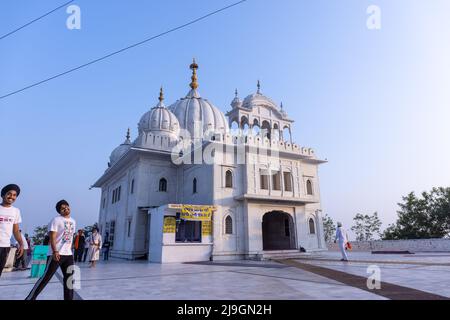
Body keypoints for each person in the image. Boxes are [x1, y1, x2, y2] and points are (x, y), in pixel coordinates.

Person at [26, 200, 76, 300]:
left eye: (67, 206)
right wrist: (55, 251)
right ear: (59, 211)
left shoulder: (73, 221)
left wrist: (70, 249)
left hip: (68, 254)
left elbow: (70, 237)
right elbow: (52, 237)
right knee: (45, 278)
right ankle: (30, 298)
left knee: (69, 279)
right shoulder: (56, 220)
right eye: (62, 208)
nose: (66, 209)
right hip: (56, 253)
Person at [0, 184, 24, 277]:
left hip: (5, 247)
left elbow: (16, 230)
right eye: (9, 194)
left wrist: (21, 244)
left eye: (14, 195)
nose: (12, 197)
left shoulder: (16, 211)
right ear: (3, 195)